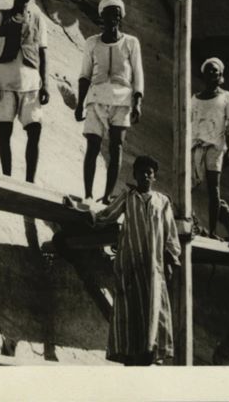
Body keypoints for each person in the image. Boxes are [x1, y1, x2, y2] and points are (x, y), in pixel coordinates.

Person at [91, 155, 181, 365]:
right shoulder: (128, 197)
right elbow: (107, 215)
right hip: (129, 265)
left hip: (153, 268)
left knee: (153, 310)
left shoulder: (162, 201)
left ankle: (149, 356)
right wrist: (86, 214)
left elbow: (170, 235)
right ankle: (129, 358)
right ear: (135, 175)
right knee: (130, 311)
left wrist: (171, 260)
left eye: (150, 173)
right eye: (142, 172)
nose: (146, 176)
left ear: (154, 177)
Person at [74, 0, 144, 204]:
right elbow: (84, 75)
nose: (113, 17)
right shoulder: (92, 43)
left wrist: (137, 101)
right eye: (108, 13)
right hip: (96, 99)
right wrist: (80, 104)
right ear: (101, 16)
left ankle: (107, 196)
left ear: (121, 17)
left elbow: (138, 74)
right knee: (93, 146)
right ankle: (87, 194)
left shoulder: (131, 43)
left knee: (117, 147)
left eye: (116, 13)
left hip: (122, 100)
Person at [0, 0, 49, 182]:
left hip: (31, 84)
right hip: (4, 82)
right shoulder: (0, 16)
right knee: (5, 131)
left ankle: (30, 181)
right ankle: (7, 178)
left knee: (35, 130)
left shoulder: (38, 19)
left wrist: (45, 84)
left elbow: (43, 54)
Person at [191, 57, 229, 238]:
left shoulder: (227, 97)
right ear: (203, 75)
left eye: (215, 71)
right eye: (208, 71)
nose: (212, 74)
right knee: (191, 183)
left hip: (216, 146)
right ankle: (189, 220)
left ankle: (212, 231)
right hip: (196, 145)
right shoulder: (195, 98)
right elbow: (190, 122)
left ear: (220, 75)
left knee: (213, 188)